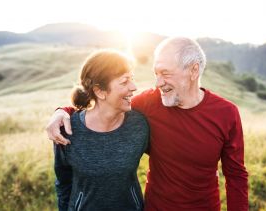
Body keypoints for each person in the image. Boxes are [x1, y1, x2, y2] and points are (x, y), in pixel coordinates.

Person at [47, 37, 248, 211]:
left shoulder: (226, 113)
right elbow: (105, 107)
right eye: (156, 74)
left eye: (166, 73)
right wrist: (63, 112)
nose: (158, 83)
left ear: (193, 70)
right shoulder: (148, 104)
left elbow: (236, 175)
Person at [52, 50, 149, 211]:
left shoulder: (139, 125)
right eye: (124, 82)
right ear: (100, 91)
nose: (134, 87)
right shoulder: (68, 130)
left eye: (132, 79)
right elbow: (63, 182)